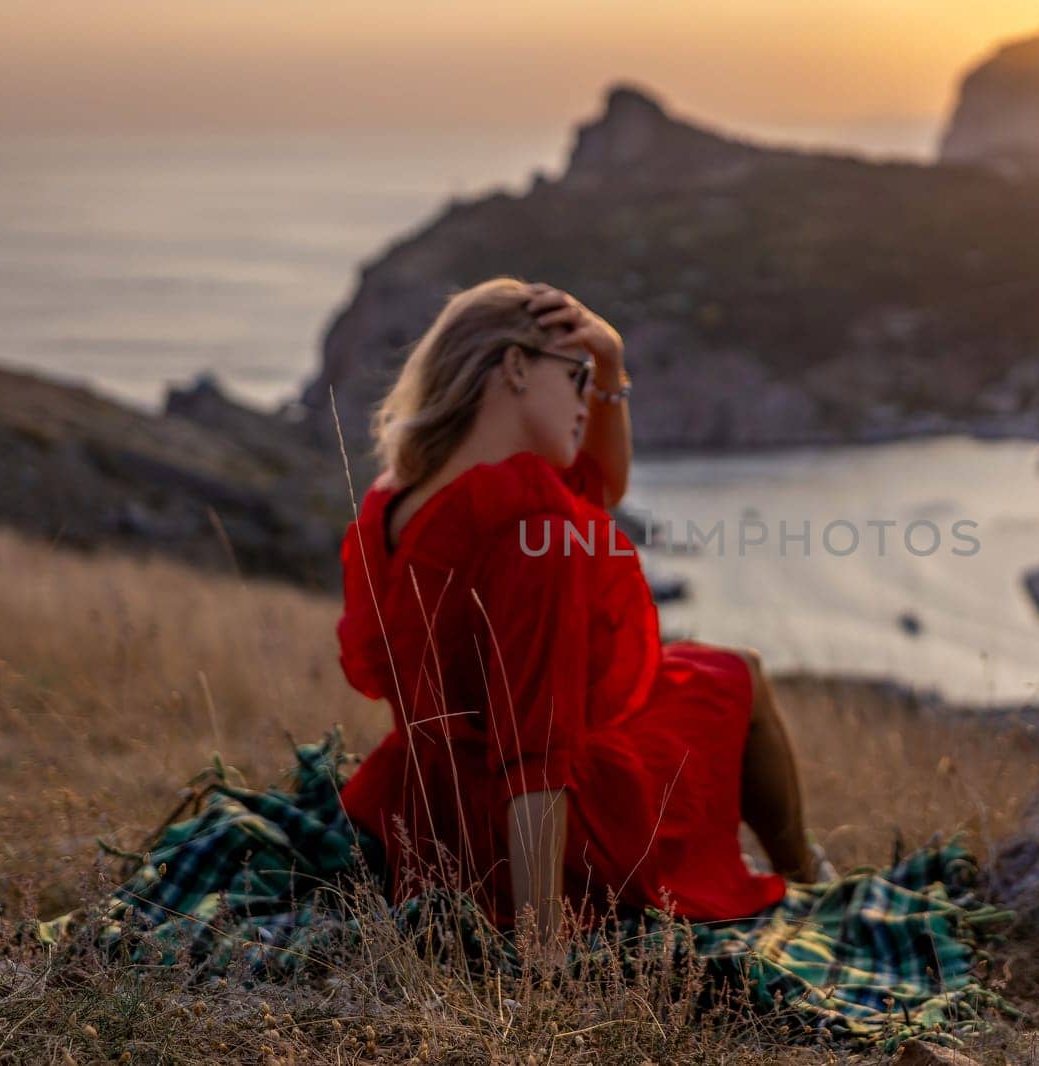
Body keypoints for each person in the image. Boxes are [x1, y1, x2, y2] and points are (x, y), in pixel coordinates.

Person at [334, 276, 824, 953]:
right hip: (534, 844)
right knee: (736, 674)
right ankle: (811, 887)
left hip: (428, 816)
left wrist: (610, 365)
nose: (587, 402)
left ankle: (809, 876)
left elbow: (597, 480)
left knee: (711, 670)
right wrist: (541, 947)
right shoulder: (531, 527)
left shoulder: (400, 499)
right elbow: (534, 753)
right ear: (513, 367)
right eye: (577, 378)